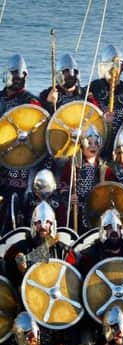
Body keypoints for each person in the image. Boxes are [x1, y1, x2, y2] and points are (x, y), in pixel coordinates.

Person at [0, 54, 49, 235]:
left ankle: (22, 235)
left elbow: (40, 124)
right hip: (1, 154)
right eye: (15, 75)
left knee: (21, 200)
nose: (19, 79)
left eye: (22, 76)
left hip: (23, 158)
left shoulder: (30, 101)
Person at [3, 201, 75, 287]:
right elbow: (7, 274)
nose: (43, 226)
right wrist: (18, 267)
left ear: (53, 225)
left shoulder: (63, 251)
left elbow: (71, 279)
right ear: (33, 224)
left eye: (48, 222)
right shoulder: (19, 248)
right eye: (39, 222)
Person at [59, 125, 114, 233]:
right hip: (77, 210)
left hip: (97, 211)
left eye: (95, 143)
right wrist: (69, 196)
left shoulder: (104, 166)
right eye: (89, 143)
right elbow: (63, 185)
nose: (93, 147)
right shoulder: (74, 164)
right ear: (82, 145)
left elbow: (112, 188)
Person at [89, 44, 123, 159]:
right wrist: (101, 120)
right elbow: (86, 111)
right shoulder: (94, 87)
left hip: (121, 144)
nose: (114, 69)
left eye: (117, 66)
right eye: (110, 66)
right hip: (97, 141)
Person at [75, 208, 123, 276]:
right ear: (104, 232)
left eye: (117, 227)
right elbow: (82, 276)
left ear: (121, 231)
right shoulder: (93, 253)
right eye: (110, 227)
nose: (114, 231)